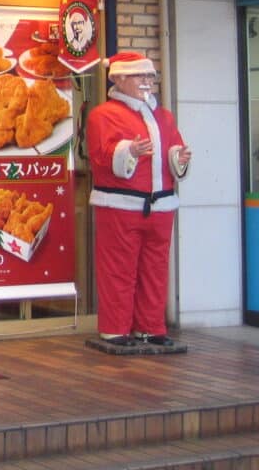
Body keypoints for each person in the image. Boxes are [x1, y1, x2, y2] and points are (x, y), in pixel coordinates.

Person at [86, 51, 191, 348]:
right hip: (120, 205)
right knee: (118, 269)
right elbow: (101, 156)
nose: (147, 82)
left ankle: (150, 326)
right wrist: (128, 152)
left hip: (161, 206)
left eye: (150, 77)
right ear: (118, 78)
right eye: (140, 76)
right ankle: (115, 328)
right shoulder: (102, 115)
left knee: (155, 271)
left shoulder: (165, 116)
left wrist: (178, 157)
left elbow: (174, 150)